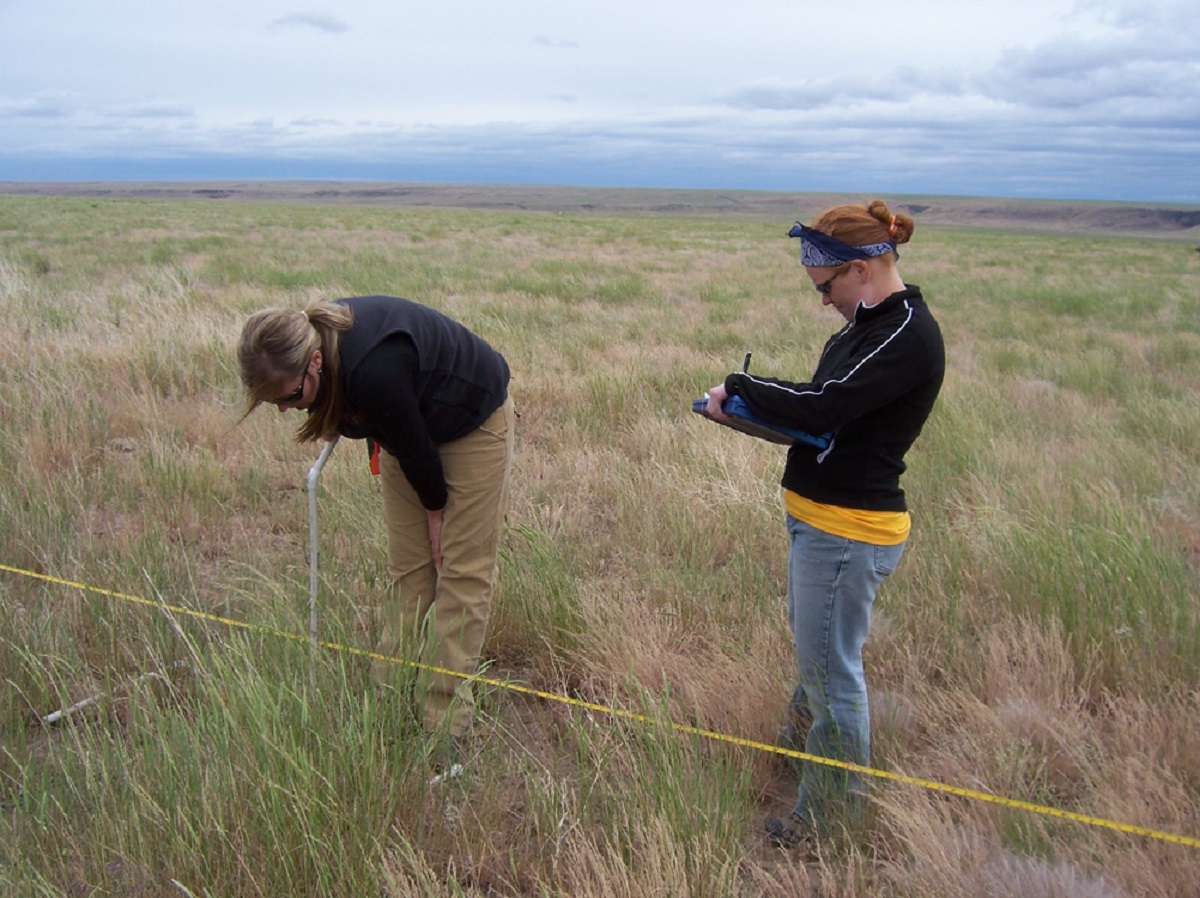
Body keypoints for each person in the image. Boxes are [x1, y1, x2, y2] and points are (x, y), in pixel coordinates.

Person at [705, 200, 944, 846]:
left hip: (848, 531)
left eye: (826, 286)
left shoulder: (906, 336)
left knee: (834, 675)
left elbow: (824, 410)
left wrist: (742, 386)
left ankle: (826, 823)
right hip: (821, 521)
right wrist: (747, 401)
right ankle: (794, 752)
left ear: (863, 269)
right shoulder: (865, 328)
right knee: (819, 658)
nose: (822, 301)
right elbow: (821, 410)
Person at [237, 294, 515, 764]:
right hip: (406, 428)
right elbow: (391, 431)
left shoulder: (374, 370)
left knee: (459, 571)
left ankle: (443, 729)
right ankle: (387, 708)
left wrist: (435, 514)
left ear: (316, 362)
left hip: (471, 422)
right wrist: (325, 410)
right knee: (410, 574)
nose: (285, 410)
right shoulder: (327, 359)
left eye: (289, 397)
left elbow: (418, 454)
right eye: (274, 403)